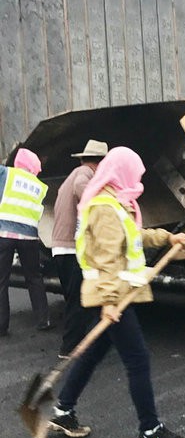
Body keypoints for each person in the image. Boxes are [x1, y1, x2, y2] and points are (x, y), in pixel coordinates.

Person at [48, 146, 185, 438]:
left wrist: (168, 237)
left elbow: (134, 236)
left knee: (92, 353)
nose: (138, 180)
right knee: (137, 360)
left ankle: (63, 410)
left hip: (115, 296)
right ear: (121, 172)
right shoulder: (104, 207)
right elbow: (108, 257)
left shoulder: (116, 204)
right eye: (135, 174)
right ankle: (150, 429)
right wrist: (110, 302)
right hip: (113, 297)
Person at [51, 139, 109, 358]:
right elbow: (84, 192)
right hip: (71, 249)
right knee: (79, 300)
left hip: (61, 247)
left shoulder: (72, 176)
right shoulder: (84, 175)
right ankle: (69, 349)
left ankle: (84, 341)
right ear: (99, 162)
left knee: (79, 299)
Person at [0, 148, 52, 336]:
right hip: (29, 237)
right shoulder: (40, 186)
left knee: (1, 281)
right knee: (34, 277)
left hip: (4, 234)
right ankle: (43, 319)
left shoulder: (7, 174)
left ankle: (2, 325)